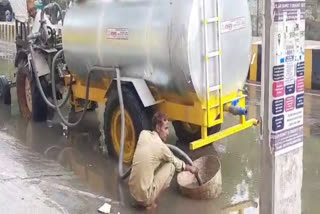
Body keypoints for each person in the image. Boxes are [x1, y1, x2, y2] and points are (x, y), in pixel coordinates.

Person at [129, 112, 198, 209]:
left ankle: (141, 199)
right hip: (144, 198)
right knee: (171, 166)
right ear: (157, 128)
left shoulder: (143, 134)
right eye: (165, 128)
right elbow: (177, 164)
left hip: (132, 193)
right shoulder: (162, 148)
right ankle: (151, 203)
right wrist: (191, 168)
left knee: (155, 162)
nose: (168, 132)